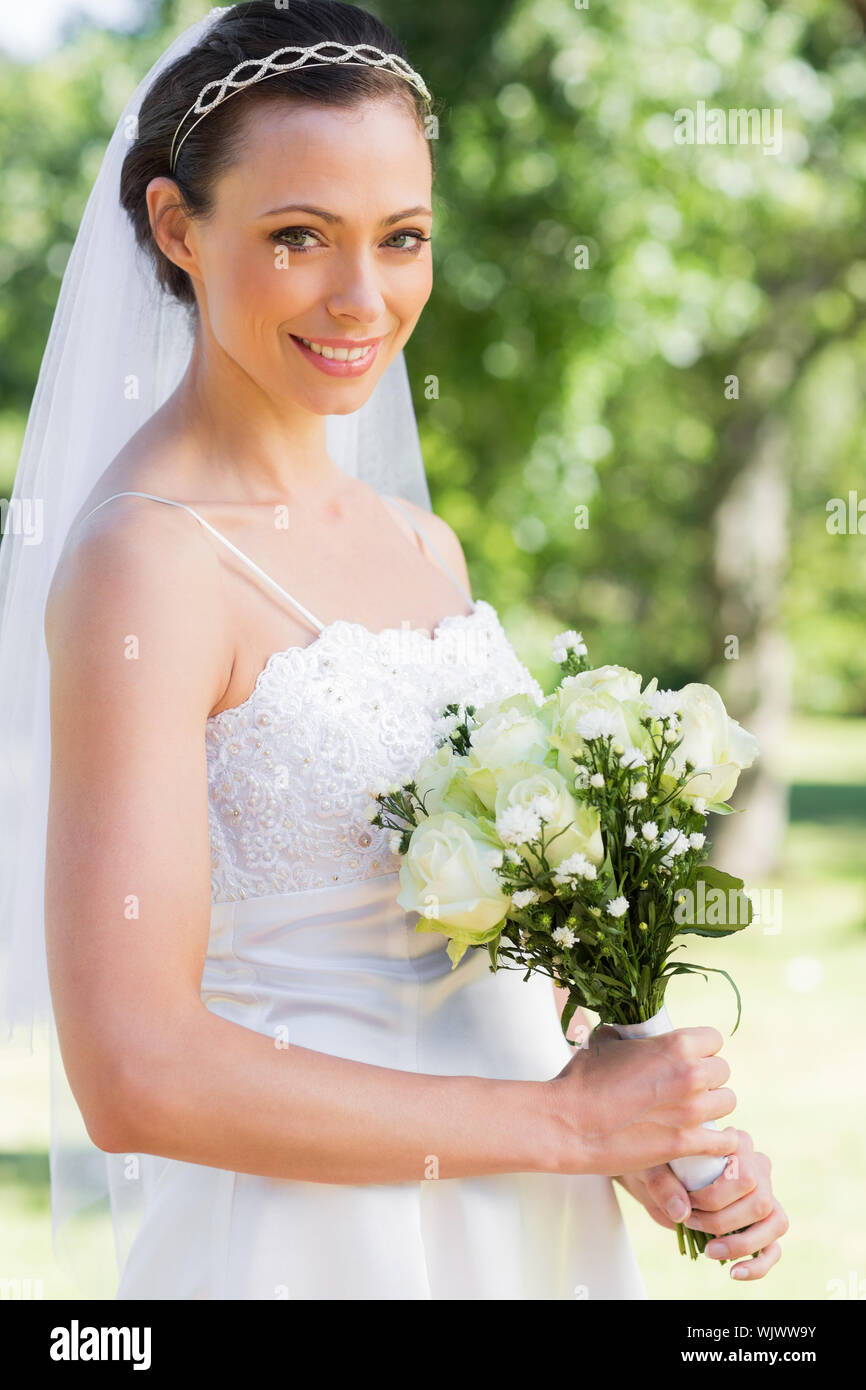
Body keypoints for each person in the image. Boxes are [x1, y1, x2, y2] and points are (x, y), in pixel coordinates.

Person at [0, 0, 787, 1299]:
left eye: (400, 237)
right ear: (175, 227)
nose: (362, 298)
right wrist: (565, 1124)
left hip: (523, 1224)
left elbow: (460, 943)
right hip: (320, 1248)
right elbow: (134, 1071)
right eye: (297, 236)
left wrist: (627, 1117)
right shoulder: (149, 559)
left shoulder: (425, 549)